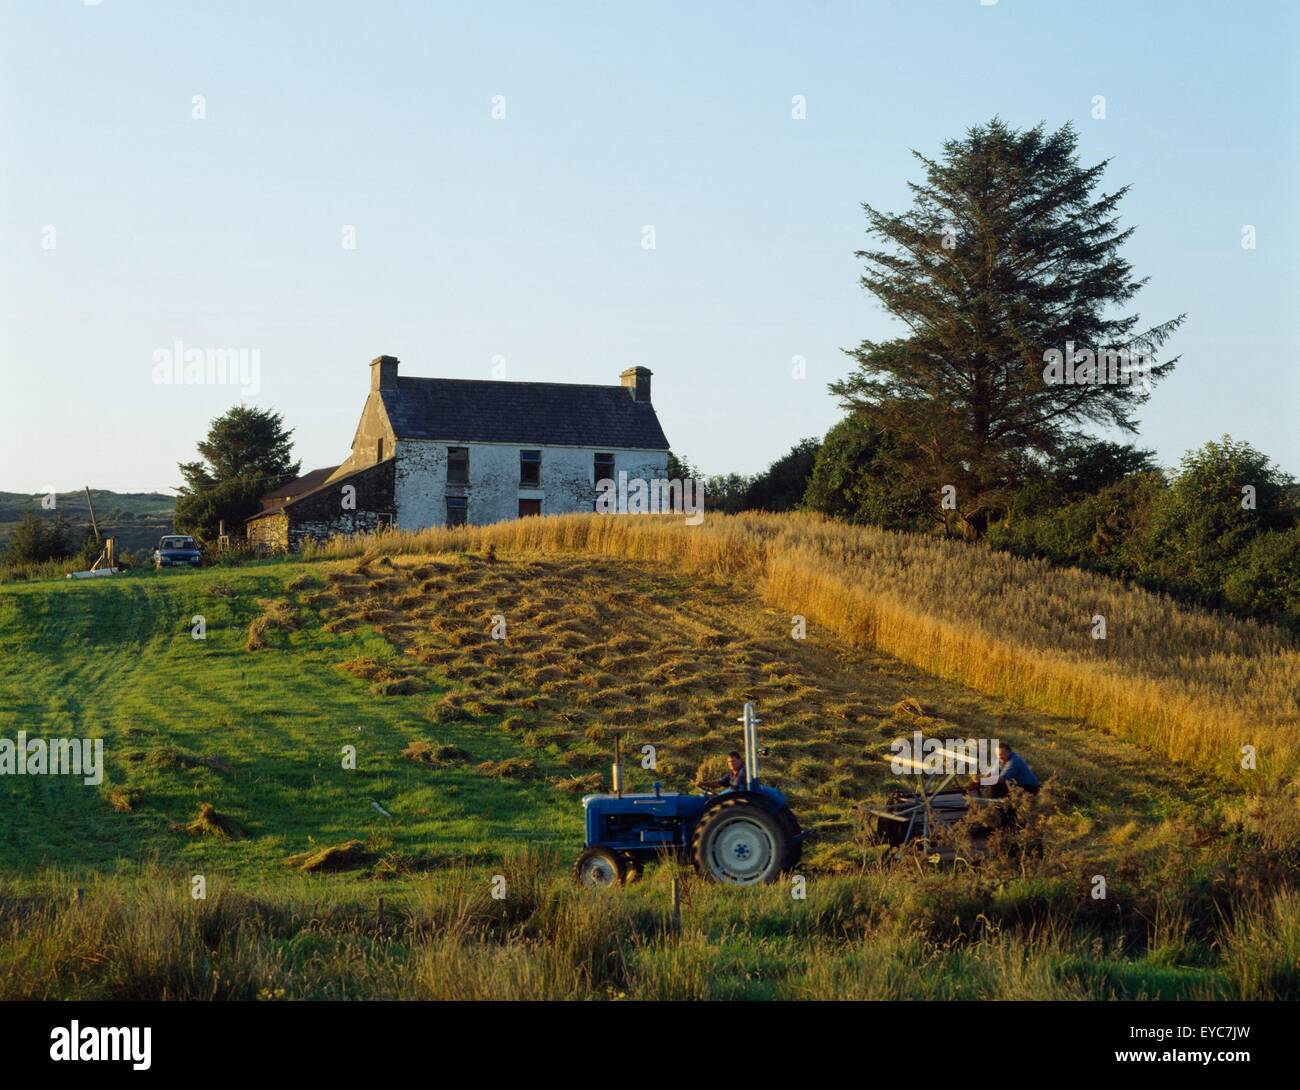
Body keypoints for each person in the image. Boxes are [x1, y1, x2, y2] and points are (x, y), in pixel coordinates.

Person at [974, 741, 1040, 798]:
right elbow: (990, 774)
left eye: (1002, 754)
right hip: (1017, 785)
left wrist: (982, 780)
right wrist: (978, 778)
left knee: (995, 783)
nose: (999, 756)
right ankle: (973, 797)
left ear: (1009, 752)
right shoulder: (1001, 759)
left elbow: (1002, 780)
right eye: (998, 754)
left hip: (1030, 788)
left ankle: (996, 806)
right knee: (988, 781)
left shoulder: (1014, 761)